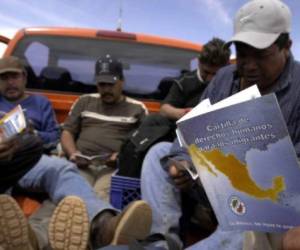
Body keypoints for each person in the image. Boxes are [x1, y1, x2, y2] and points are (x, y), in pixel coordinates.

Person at [141, 0, 300, 249]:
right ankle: (160, 242)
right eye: (243, 54)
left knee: (254, 221)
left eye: (260, 55)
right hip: (209, 185)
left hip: (265, 202)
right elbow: (191, 129)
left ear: (286, 47)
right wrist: (183, 162)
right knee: (158, 154)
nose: (249, 65)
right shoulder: (225, 77)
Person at [0, 134, 152, 250]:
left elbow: (37, 141)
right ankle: (100, 231)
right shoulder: (85, 101)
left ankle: (102, 226)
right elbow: (64, 133)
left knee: (62, 176)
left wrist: (17, 139)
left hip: (11, 163)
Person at [61, 55, 148, 200]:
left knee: (100, 196)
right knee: (75, 195)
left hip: (113, 168)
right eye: (102, 85)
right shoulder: (84, 101)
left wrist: (122, 157)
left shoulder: (137, 108)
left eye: (111, 84)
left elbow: (144, 143)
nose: (106, 89)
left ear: (122, 82)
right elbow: (67, 132)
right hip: (82, 164)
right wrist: (73, 154)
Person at [0, 56, 60, 149]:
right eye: (4, 78)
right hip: (2, 156)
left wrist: (33, 134)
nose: (10, 82)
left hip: (32, 156)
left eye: (15, 77)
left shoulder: (41, 103)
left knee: (66, 164)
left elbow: (55, 136)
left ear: (24, 78)